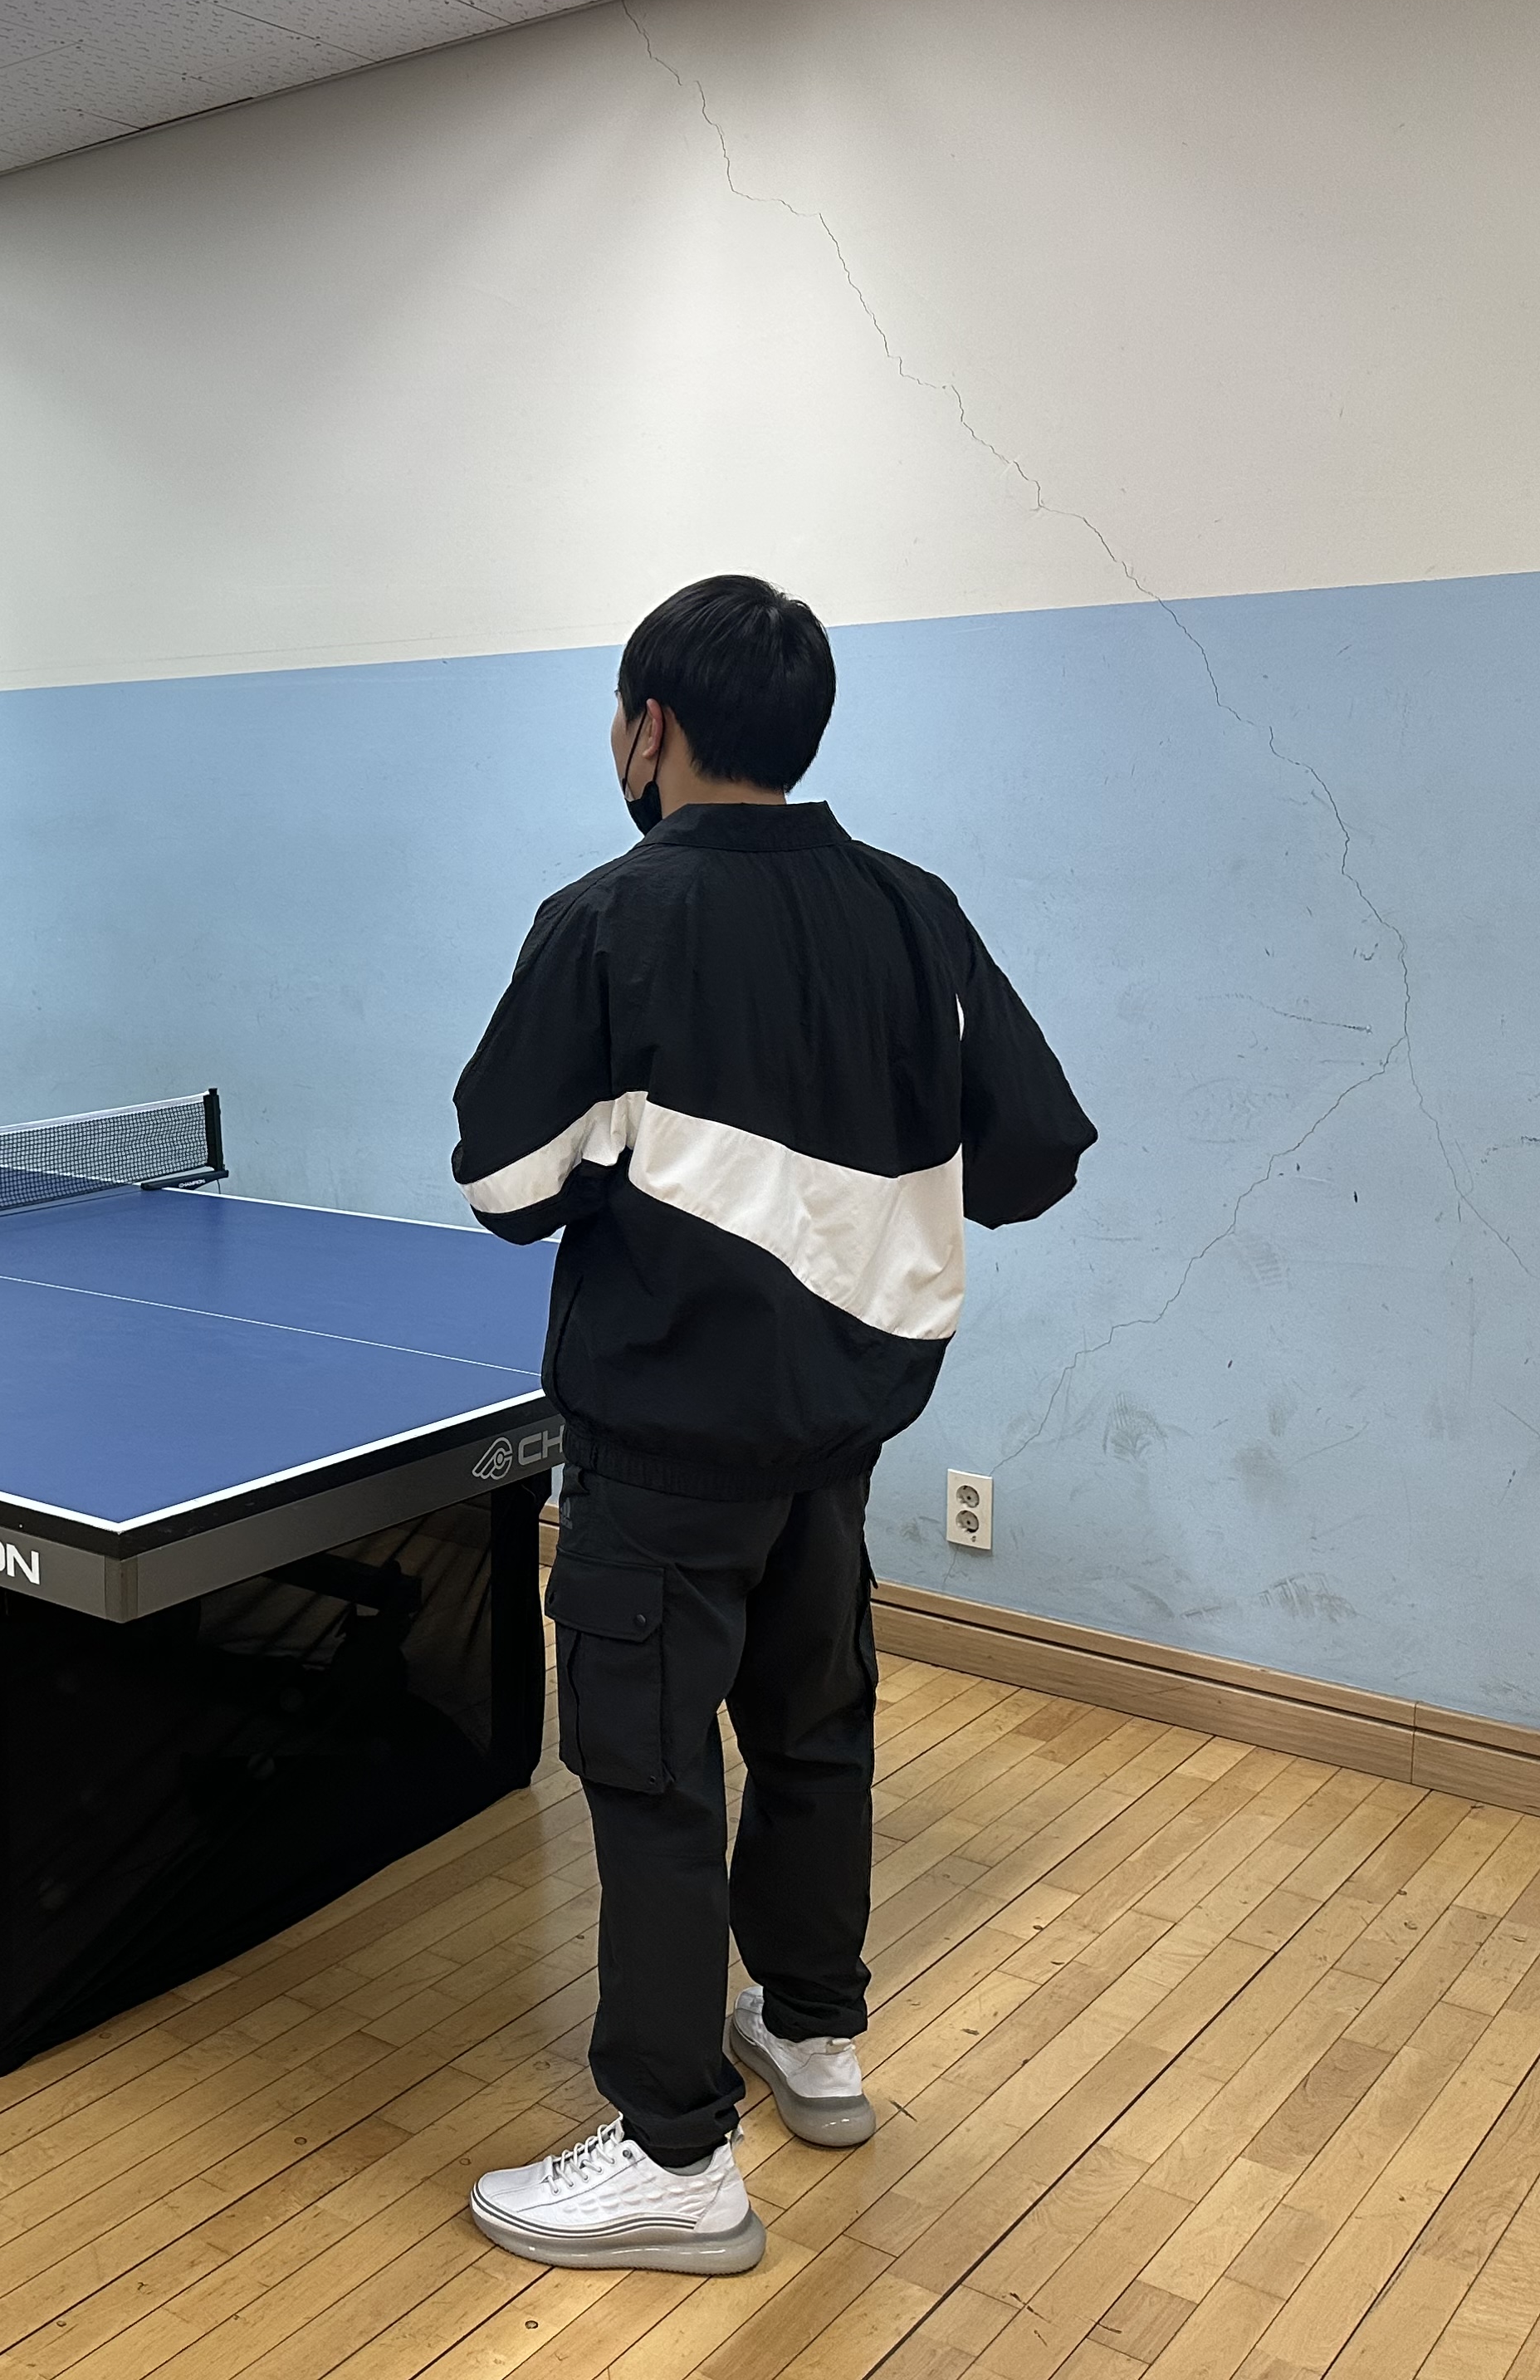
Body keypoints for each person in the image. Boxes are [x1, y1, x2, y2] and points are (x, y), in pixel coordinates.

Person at [452, 575, 1094, 2276]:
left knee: (651, 1772)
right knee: (814, 1730)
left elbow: (504, 1182)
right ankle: (811, 2031)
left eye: (619, 716)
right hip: (838, 1437)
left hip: (665, 1446)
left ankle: (674, 2155)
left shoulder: (606, 916)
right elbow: (1032, 1156)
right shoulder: (917, 910)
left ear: (648, 727)